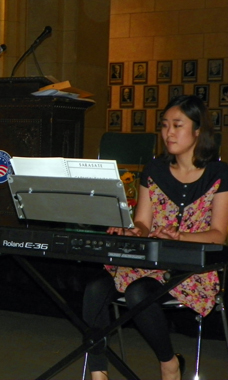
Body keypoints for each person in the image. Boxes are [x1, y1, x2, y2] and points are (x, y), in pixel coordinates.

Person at [83, 95, 228, 380]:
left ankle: (169, 363)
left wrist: (182, 236)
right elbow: (143, 222)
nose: (168, 133)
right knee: (95, 289)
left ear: (198, 131)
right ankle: (98, 374)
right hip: (149, 263)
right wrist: (132, 229)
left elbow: (219, 235)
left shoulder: (219, 174)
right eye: (164, 126)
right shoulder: (154, 170)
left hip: (192, 269)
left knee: (139, 292)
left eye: (177, 125)